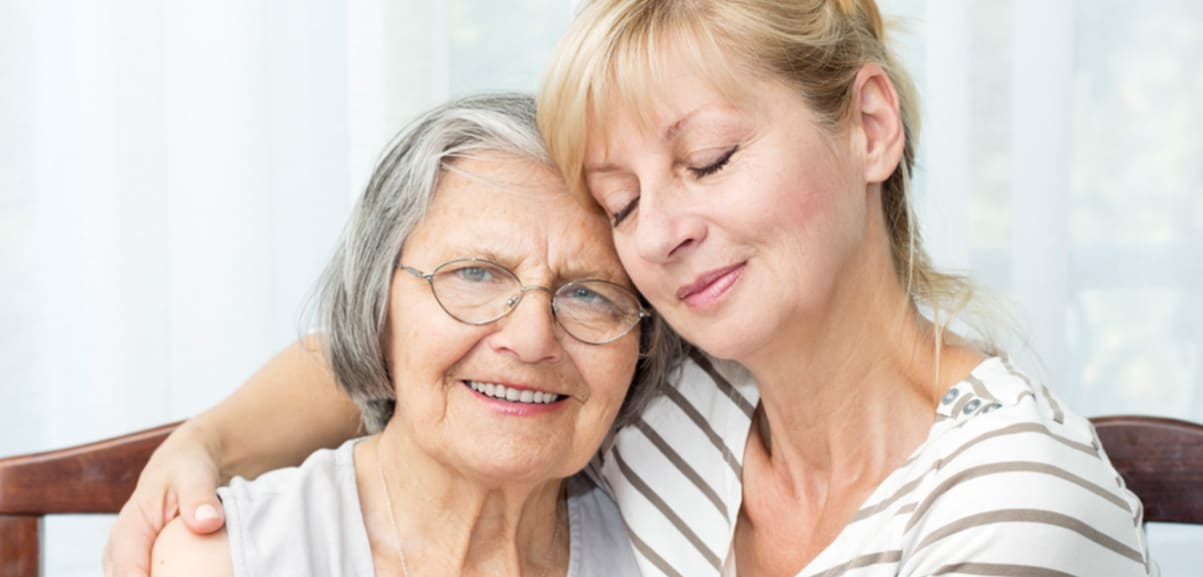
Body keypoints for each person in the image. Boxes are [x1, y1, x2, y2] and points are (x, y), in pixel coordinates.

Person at [108, 2, 1153, 576]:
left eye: (706, 160)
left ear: (870, 126)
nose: (658, 233)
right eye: (619, 200)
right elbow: (436, 344)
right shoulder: (678, 398)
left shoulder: (1015, 498)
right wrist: (209, 446)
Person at [145, 93, 677, 577]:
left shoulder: (679, 542)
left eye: (589, 294)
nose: (533, 338)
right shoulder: (230, 559)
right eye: (475, 274)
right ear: (378, 309)